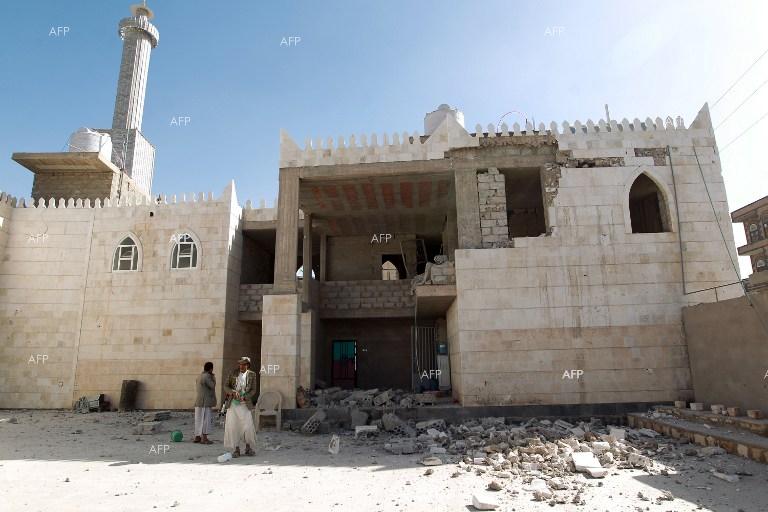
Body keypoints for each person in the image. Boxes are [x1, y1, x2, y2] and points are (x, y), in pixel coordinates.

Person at [223, 356, 258, 457]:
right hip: (233, 405)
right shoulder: (233, 373)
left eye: (244, 364)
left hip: (245, 405)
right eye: (240, 364)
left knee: (247, 426)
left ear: (248, 365)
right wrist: (232, 392)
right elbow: (226, 386)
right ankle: (236, 449)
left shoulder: (252, 375)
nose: (241, 366)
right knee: (234, 426)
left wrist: (245, 397)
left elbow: (253, 390)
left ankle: (248, 448)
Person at [194, 361, 216, 444]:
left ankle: (197, 437)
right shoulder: (207, 376)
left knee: (198, 419)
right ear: (211, 368)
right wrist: (213, 377)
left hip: (199, 401)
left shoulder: (199, 376)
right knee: (206, 419)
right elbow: (212, 386)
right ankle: (204, 438)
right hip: (205, 402)